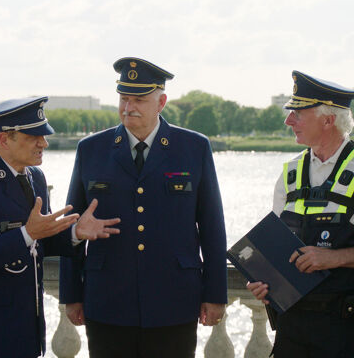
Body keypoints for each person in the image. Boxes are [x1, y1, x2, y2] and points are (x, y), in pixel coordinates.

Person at [59, 57, 228, 358]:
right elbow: (72, 225)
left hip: (174, 302)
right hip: (107, 300)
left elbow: (212, 227)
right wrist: (70, 294)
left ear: (161, 102)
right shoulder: (91, 149)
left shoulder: (193, 148)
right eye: (123, 98)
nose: (128, 107)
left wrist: (215, 294)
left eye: (138, 99)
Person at [0, 96, 121, 358]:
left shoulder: (35, 177)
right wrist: (26, 234)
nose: (44, 143)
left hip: (25, 332)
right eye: (34, 136)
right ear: (5, 139)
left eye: (44, 135)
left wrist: (74, 233)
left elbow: (39, 243)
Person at [246, 71, 354, 357]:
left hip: (343, 330)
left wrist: (334, 258)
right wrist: (264, 280)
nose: (288, 121)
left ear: (328, 120)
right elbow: (278, 248)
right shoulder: (289, 174)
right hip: (290, 329)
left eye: (297, 113)